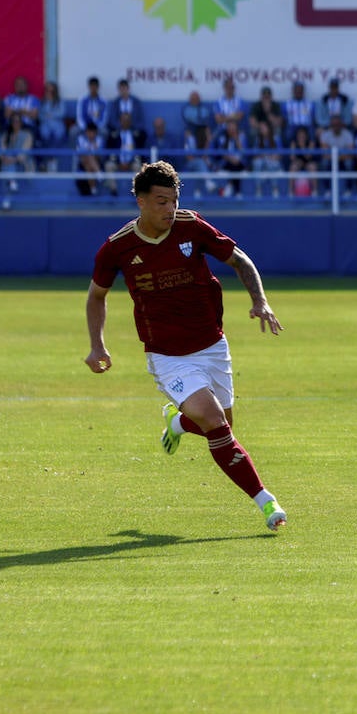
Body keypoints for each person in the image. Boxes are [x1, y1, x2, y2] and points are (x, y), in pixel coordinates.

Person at [85, 160, 286, 531]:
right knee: (216, 426)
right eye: (161, 201)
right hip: (167, 356)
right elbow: (96, 296)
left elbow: (239, 260)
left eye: (174, 200)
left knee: (220, 425)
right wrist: (97, 345)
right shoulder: (118, 248)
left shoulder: (192, 226)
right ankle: (266, 502)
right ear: (141, 202)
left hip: (212, 345)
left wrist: (260, 300)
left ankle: (178, 422)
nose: (169, 209)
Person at [0, 112, 34, 208]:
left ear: (21, 123)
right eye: (13, 121)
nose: (16, 123)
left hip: (23, 164)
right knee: (8, 167)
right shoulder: (6, 135)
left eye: (18, 121)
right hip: (8, 163)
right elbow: (1, 151)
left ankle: (7, 199)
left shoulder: (27, 135)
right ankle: (11, 184)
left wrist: (11, 159)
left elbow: (24, 153)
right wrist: (4, 158)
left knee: (8, 166)